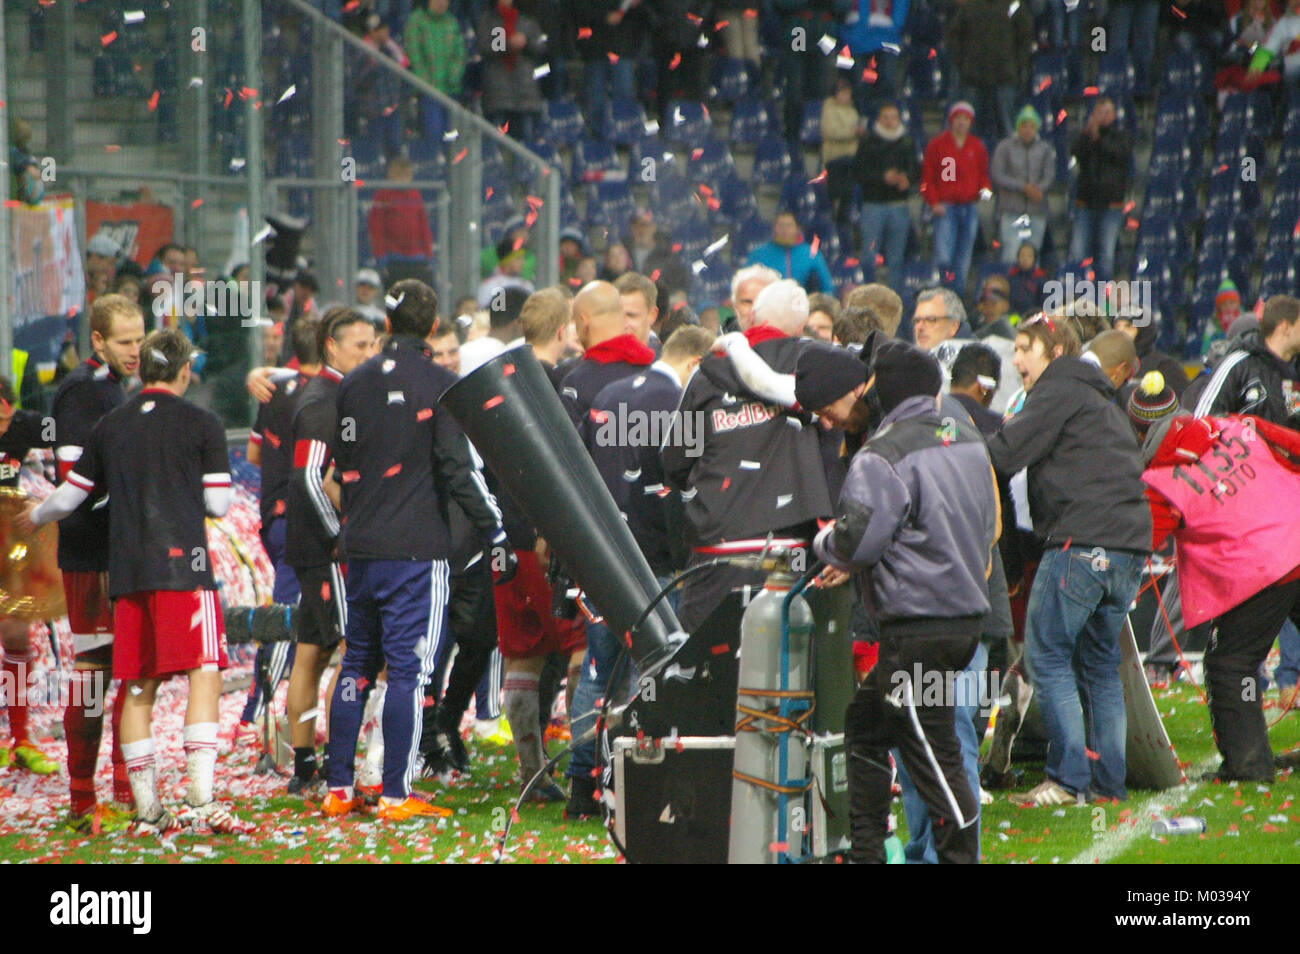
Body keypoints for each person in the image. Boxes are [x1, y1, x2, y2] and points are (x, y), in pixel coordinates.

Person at [25, 330, 247, 836]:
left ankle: (147, 811)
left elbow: (69, 496)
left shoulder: (111, 425)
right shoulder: (203, 423)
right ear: (185, 371)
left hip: (125, 572)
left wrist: (33, 516)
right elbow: (217, 505)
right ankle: (199, 800)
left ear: (143, 367)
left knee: (138, 684)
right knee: (204, 671)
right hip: (184, 569)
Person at [324, 280, 514, 821]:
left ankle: (337, 788)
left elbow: (343, 466)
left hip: (358, 545)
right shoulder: (441, 384)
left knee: (356, 663)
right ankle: (394, 794)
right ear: (433, 327)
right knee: (408, 669)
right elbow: (460, 469)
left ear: (386, 325)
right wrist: (495, 530)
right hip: (415, 550)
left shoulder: (352, 383)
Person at [809, 341, 998, 864]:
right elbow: (987, 525)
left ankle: (959, 859)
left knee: (936, 760)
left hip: (917, 627)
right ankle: (866, 852)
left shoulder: (883, 452)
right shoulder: (964, 436)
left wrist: (822, 542)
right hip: (961, 620)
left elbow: (855, 542)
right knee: (866, 728)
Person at [985, 315, 1152, 805]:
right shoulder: (1102, 398)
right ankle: (1107, 784)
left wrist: (950, 451)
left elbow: (1003, 452)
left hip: (1081, 543)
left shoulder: (1056, 391)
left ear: (1054, 351)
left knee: (1047, 656)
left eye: (1023, 348)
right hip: (1128, 547)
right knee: (1099, 665)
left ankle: (1066, 780)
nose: (1015, 361)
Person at [566, 325, 715, 817]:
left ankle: (581, 785)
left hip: (601, 556)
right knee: (647, 671)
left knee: (595, 670)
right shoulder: (679, 404)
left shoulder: (608, 394)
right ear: (694, 363)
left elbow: (582, 465)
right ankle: (631, 785)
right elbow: (688, 480)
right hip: (657, 562)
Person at [663, 280, 838, 633]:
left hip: (719, 551)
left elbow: (675, 461)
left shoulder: (709, 370)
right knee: (787, 674)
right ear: (801, 326)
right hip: (796, 551)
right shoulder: (824, 364)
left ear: (751, 318)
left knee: (703, 674)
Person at [1142, 411, 1300, 781]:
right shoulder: (1237, 425)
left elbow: (1139, 543)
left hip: (1263, 567)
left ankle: (1249, 762)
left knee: (1232, 664)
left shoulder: (1162, 482)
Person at [48, 294, 146, 830]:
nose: (135, 350)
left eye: (140, 338)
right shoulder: (84, 392)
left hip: (120, 550)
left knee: (129, 667)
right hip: (91, 554)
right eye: (125, 341)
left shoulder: (114, 388)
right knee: (93, 671)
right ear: (99, 341)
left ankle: (126, 787)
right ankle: (83, 796)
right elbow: (77, 481)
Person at [495, 290, 589, 800]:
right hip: (548, 540)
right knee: (578, 649)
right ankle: (584, 771)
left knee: (523, 655)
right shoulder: (560, 384)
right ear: (563, 330)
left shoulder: (498, 378)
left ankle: (531, 773)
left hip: (504, 541)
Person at [284, 308, 378, 798]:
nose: (369, 353)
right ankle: (342, 760)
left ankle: (304, 764)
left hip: (313, 546)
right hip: (325, 551)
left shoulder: (332, 394)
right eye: (358, 345)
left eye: (372, 343)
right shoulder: (325, 401)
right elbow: (309, 479)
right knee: (352, 648)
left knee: (313, 651)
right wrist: (341, 538)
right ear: (331, 348)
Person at [238, 317, 318, 754]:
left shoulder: (273, 390)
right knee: (289, 616)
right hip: (304, 521)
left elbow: (253, 453)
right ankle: (259, 710)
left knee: (296, 613)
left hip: (274, 517)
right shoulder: (326, 394)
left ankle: (276, 711)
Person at [0, 377, 57, 778]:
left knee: (15, 634)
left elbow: (73, 435)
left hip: (7, 543)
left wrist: (49, 501)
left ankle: (20, 740)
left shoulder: (28, 425)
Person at [1189, 295, 1300, 425]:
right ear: (1285, 327)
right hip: (1241, 444)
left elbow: (1293, 421)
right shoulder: (1237, 365)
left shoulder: (1294, 372)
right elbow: (1202, 421)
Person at [921, 103, 991, 293]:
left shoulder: (977, 146)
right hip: (946, 207)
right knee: (944, 256)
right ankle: (943, 291)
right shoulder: (937, 145)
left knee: (964, 256)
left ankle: (957, 295)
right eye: (958, 118)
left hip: (969, 206)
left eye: (965, 119)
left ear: (970, 122)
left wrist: (985, 192)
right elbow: (927, 178)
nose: (961, 122)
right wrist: (933, 202)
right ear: (951, 120)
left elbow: (983, 175)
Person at [947, 0, 1034, 141]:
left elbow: (1026, 37)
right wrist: (964, 64)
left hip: (1004, 77)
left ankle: (1010, 163)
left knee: (1008, 131)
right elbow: (954, 36)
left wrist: (1016, 64)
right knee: (970, 133)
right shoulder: (970, 6)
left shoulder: (1013, 5)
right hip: (973, 77)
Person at [853, 102, 919, 288]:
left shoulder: (907, 142)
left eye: (894, 117)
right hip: (873, 204)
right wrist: (882, 178)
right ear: (879, 119)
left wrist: (907, 178)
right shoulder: (867, 141)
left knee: (896, 258)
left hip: (899, 205)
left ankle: (894, 298)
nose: (890, 121)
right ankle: (868, 291)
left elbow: (915, 169)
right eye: (886, 117)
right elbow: (859, 172)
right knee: (868, 255)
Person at [1069, 97, 1132, 281]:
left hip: (1111, 205)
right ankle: (1077, 297)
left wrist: (1097, 137)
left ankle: (1103, 298)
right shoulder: (1085, 136)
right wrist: (1087, 134)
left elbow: (1117, 154)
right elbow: (1075, 154)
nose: (1103, 116)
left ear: (1113, 115)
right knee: (1078, 253)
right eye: (1099, 112)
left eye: (1107, 112)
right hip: (1085, 203)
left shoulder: (1122, 136)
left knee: (1106, 255)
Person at [991, 105, 1055, 264]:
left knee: (1032, 255)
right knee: (1011, 253)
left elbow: (1049, 175)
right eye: (1024, 125)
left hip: (1036, 210)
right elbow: (998, 175)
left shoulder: (1045, 149)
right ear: (1017, 127)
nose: (1027, 130)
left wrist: (1038, 189)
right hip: (1011, 210)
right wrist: (1023, 187)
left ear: (1037, 128)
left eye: (1031, 126)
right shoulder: (1005, 147)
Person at [477, 0, 548, 142]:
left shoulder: (526, 20)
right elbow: (484, 46)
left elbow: (541, 45)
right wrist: (507, 44)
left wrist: (526, 42)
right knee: (495, 140)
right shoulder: (488, 20)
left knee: (526, 140)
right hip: (498, 89)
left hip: (525, 88)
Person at [405, 0, 467, 144]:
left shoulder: (452, 22)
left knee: (452, 140)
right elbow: (414, 55)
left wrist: (454, 75)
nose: (441, 3)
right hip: (429, 92)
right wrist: (426, 81)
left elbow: (460, 54)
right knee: (433, 134)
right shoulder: (416, 21)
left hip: (451, 91)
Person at [745, 212, 836, 295]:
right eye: (780, 225)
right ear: (774, 228)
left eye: (789, 226)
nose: (784, 230)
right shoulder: (759, 253)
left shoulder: (811, 253)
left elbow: (827, 286)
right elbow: (743, 280)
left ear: (797, 229)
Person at [367, 157, 434, 262]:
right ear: (390, 174)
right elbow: (376, 226)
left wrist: (428, 253)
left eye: (406, 175)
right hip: (391, 254)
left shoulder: (415, 194)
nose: (402, 178)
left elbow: (423, 226)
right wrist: (380, 253)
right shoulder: (382, 195)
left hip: (415, 254)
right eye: (399, 174)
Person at [476, 236, 536, 309]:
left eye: (523, 259)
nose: (522, 263)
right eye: (518, 259)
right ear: (506, 261)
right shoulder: (490, 286)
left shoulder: (527, 286)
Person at [726, 264, 780, 332]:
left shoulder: (791, 339)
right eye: (747, 302)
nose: (754, 310)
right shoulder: (720, 339)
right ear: (735, 307)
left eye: (762, 302)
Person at [1007, 242, 1047, 317]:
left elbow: (1043, 304)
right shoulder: (1011, 277)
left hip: (1033, 318)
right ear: (1018, 258)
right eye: (1022, 255)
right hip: (1013, 317)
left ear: (1034, 259)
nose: (1025, 259)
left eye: (1029, 256)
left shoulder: (1040, 279)